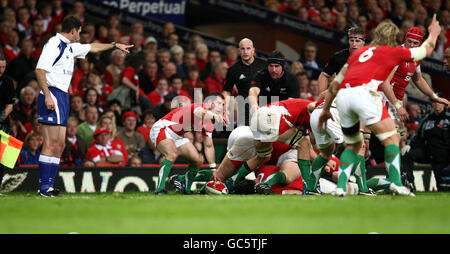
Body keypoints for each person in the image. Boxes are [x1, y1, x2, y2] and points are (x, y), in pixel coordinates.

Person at [318, 17, 442, 197]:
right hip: (365, 95)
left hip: (344, 97)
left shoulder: (359, 53)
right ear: (394, 39)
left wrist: (325, 108)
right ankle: (397, 184)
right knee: (392, 139)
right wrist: (434, 33)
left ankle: (341, 187)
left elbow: (336, 81)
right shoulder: (393, 52)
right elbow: (426, 50)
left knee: (353, 144)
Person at [35, 16, 132, 197]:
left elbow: (93, 47)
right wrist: (47, 95)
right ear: (73, 30)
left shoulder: (70, 47)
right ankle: (43, 187)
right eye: (79, 31)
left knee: (60, 144)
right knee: (50, 143)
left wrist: (115, 45)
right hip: (52, 93)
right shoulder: (54, 43)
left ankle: (48, 187)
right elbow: (40, 70)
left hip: (62, 96)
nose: (80, 35)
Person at [380, 27, 449, 148]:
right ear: (405, 40)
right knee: (383, 137)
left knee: (401, 138)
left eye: (415, 43)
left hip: (397, 99)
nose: (411, 45)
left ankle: (399, 163)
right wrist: (398, 106)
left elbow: (418, 79)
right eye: (409, 41)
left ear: (419, 44)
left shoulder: (416, 56)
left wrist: (434, 97)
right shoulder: (397, 54)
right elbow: (385, 84)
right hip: (383, 97)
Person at [149, 92, 226, 194]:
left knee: (197, 160)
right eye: (219, 103)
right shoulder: (199, 107)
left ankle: (186, 188)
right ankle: (159, 189)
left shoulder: (208, 124)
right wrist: (215, 116)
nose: (221, 107)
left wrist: (213, 169)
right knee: (172, 154)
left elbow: (208, 146)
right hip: (163, 128)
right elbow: (200, 113)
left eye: (223, 104)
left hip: (178, 135)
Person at [402, 96, 450, 192]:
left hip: (444, 156)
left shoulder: (449, 119)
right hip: (429, 152)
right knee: (408, 155)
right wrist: (409, 145)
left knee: (443, 188)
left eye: (439, 102)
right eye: (434, 102)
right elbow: (418, 136)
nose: (437, 105)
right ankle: (409, 184)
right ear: (432, 104)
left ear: (444, 105)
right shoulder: (426, 120)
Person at [222, 38, 267, 126]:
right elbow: (227, 91)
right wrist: (224, 111)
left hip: (265, 106)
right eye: (242, 49)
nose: (245, 52)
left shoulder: (265, 65)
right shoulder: (233, 69)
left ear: (253, 50)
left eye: (248, 48)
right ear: (239, 51)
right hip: (244, 109)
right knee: (246, 137)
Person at [248, 51, 300, 115]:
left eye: (276, 66)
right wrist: (254, 105)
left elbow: (292, 102)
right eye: (271, 66)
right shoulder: (260, 75)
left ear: (283, 67)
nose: (273, 70)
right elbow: (253, 90)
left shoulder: (292, 79)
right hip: (263, 111)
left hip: (284, 112)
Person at [0, 53, 16, 189]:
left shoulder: (8, 82)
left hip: (2, 124)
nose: (1, 70)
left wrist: (2, 117)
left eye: (3, 67)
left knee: (1, 159)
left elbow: (10, 105)